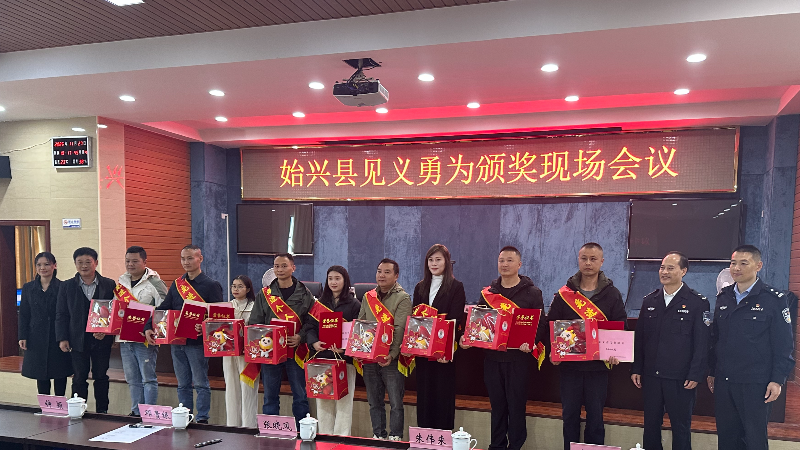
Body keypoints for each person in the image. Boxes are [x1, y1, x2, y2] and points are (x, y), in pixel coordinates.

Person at [708, 245, 795, 450]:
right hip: (725, 380)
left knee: (754, 438)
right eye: (733, 263)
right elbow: (716, 339)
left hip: (756, 383)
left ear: (758, 266)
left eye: (743, 263)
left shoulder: (774, 299)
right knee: (727, 437)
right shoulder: (724, 297)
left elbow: (784, 344)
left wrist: (777, 379)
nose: (736, 268)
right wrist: (712, 371)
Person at [459, 246, 547, 450]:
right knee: (497, 406)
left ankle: (515, 445)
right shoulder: (488, 293)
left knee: (516, 406)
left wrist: (531, 342)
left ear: (519, 264)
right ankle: (497, 445)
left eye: (509, 260)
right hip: (493, 358)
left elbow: (540, 323)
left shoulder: (533, 293)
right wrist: (468, 338)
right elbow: (479, 322)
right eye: (501, 261)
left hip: (518, 359)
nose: (504, 264)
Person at [548, 242, 627, 450]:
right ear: (578, 260)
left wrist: (616, 352)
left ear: (602, 262)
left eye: (593, 259)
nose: (588, 263)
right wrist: (553, 353)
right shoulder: (564, 294)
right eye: (584, 258)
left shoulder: (612, 294)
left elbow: (621, 326)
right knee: (569, 417)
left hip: (598, 368)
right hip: (570, 368)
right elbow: (552, 325)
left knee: (595, 418)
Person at [631, 251, 710, 450]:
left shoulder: (697, 302)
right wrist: (636, 368)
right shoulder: (650, 301)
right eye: (662, 268)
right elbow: (640, 339)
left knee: (680, 427)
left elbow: (702, 343)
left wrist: (695, 373)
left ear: (683, 271)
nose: (664, 272)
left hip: (680, 378)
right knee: (650, 425)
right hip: (652, 376)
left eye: (670, 268)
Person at [144, 245, 223, 424]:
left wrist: (204, 326)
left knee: (201, 383)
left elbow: (218, 316)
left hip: (197, 342)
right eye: (183, 258)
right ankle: (184, 417)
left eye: (190, 258)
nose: (186, 262)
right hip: (177, 341)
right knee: (182, 384)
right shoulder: (177, 284)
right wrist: (149, 325)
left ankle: (202, 418)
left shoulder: (211, 285)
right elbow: (164, 308)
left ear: (200, 259)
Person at [248, 253, 315, 428]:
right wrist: (266, 337)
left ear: (293, 268)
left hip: (296, 351)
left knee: (300, 395)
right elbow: (254, 322)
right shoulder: (265, 294)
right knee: (270, 395)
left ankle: (303, 431)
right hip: (270, 352)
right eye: (276, 266)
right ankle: (271, 431)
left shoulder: (305, 293)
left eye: (284, 266)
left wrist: (300, 336)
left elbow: (311, 321)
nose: (279, 270)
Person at [411, 244, 466, 431]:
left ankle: (443, 439)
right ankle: (425, 439)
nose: (434, 263)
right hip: (423, 350)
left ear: (447, 262)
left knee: (443, 396)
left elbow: (456, 319)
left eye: (438, 260)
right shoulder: (420, 287)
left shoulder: (456, 287)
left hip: (443, 353)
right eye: (430, 260)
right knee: (424, 395)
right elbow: (415, 320)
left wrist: (445, 350)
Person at [55, 247, 117, 413]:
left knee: (101, 376)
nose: (84, 266)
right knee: (79, 377)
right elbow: (61, 314)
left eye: (88, 262)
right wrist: (62, 338)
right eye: (80, 262)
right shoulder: (67, 286)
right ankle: (78, 411)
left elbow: (115, 311)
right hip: (77, 338)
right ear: (75, 264)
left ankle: (102, 412)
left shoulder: (109, 284)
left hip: (101, 339)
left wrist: (107, 331)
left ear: (95, 263)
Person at [359, 258, 412, 441]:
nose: (381, 275)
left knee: (395, 402)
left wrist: (392, 354)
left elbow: (400, 329)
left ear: (396, 276)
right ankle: (378, 435)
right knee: (374, 401)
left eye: (387, 272)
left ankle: (395, 436)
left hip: (391, 359)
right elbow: (361, 324)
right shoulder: (368, 297)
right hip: (370, 358)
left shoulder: (403, 298)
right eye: (379, 271)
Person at [304, 265, 361, 436]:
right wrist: (314, 343)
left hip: (344, 361)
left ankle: (342, 439)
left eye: (337, 278)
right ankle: (325, 437)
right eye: (330, 279)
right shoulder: (319, 303)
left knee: (344, 403)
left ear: (345, 281)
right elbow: (309, 327)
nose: (333, 282)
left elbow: (358, 332)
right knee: (323, 401)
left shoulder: (354, 304)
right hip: (322, 359)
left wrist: (345, 348)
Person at [117, 246, 168, 416]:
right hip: (125, 338)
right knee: (132, 379)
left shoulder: (155, 283)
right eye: (127, 261)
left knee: (148, 378)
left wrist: (151, 328)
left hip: (145, 338)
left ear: (145, 262)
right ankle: (135, 412)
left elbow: (164, 310)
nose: (130, 264)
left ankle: (149, 413)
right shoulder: (121, 282)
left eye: (134, 261)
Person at [18, 252, 73, 396]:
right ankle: (45, 406)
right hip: (36, 336)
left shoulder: (63, 286)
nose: (43, 268)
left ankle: (59, 404)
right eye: (39, 265)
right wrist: (22, 335)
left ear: (54, 266)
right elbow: (24, 314)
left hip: (57, 335)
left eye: (47, 264)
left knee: (59, 372)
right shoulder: (28, 287)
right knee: (40, 373)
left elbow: (67, 314)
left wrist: (64, 336)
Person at [223, 275, 259, 427]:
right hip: (228, 353)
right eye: (233, 286)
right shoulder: (226, 306)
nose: (235, 289)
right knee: (231, 388)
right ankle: (232, 425)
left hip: (248, 354)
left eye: (240, 286)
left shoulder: (255, 306)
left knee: (248, 389)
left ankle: (249, 426)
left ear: (248, 289)